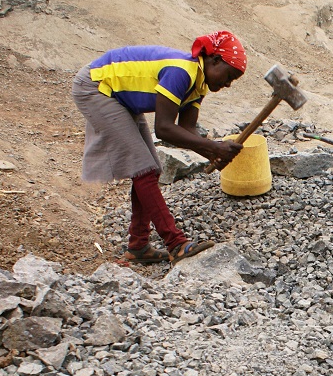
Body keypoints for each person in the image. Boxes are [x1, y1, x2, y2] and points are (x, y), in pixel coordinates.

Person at [72, 32, 247, 264]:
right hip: (96, 86)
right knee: (144, 168)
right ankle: (176, 244)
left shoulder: (199, 84)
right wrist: (215, 147)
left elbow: (186, 131)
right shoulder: (181, 72)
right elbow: (164, 129)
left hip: (120, 96)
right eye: (229, 76)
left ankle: (138, 247)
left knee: (149, 169)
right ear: (214, 60)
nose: (227, 84)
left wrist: (213, 154)